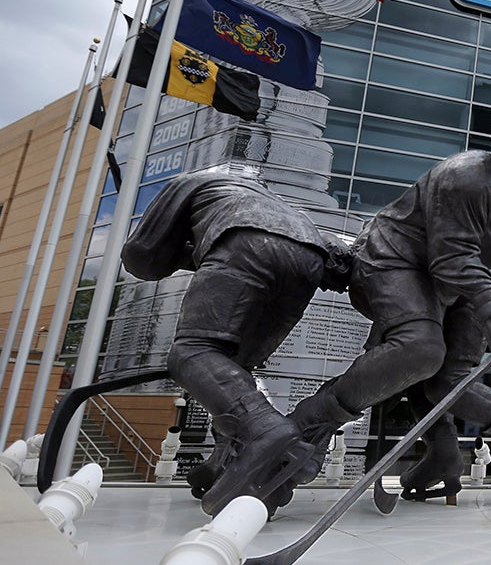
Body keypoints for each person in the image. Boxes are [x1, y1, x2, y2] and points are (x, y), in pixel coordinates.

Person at [288, 94, 491, 504]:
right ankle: (310, 424)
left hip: (468, 277)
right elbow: (450, 257)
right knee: (417, 350)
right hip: (402, 260)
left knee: (447, 381)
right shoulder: (464, 177)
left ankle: (477, 443)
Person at [120, 171, 352, 516]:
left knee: (192, 353)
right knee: (230, 375)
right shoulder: (278, 205)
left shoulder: (195, 182)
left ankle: (267, 430)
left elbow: (143, 257)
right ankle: (227, 462)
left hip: (245, 241)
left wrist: (195, 254)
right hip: (307, 259)